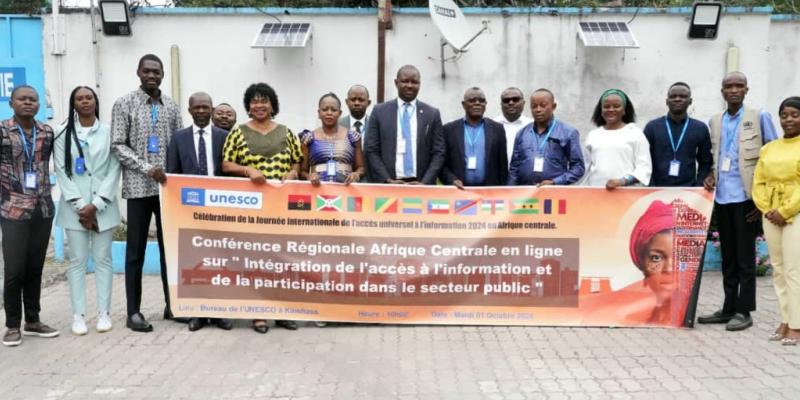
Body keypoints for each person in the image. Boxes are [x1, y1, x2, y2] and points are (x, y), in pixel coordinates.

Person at [698, 72, 778, 331]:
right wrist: (710, 174)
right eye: (728, 87)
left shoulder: (759, 117)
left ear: (746, 90)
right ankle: (729, 307)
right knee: (728, 258)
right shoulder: (715, 121)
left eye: (738, 86)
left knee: (745, 257)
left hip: (747, 199)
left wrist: (761, 201)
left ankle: (745, 311)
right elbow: (716, 156)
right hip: (722, 197)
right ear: (722, 92)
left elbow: (772, 158)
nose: (733, 90)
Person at [222, 82, 301, 334]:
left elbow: (298, 163)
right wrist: (246, 170)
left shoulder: (287, 132)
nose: (259, 105)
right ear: (248, 105)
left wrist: (293, 172)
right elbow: (225, 164)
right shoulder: (238, 131)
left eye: (264, 101)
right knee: (256, 258)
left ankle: (282, 311)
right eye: (254, 101)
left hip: (281, 208)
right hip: (252, 209)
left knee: (282, 259)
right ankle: (258, 312)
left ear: (272, 104)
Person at [111, 54, 183, 333]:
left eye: (156, 71)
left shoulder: (172, 107)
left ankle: (172, 305)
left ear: (162, 74)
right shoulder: (124, 104)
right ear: (138, 72)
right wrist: (145, 167)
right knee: (135, 253)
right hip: (139, 188)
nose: (152, 76)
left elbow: (178, 145)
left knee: (171, 251)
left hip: (167, 191)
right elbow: (117, 144)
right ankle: (133, 312)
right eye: (147, 71)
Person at [54, 86, 120, 336]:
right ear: (73, 103)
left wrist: (98, 204)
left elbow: (115, 169)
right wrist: (82, 206)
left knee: (103, 260)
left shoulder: (109, 132)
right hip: (75, 210)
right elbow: (61, 170)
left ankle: (104, 313)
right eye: (79, 98)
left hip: (103, 207)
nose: (85, 101)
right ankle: (78, 315)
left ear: (95, 101)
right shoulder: (62, 133)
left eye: (89, 97)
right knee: (77, 261)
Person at [166, 92, 234, 332]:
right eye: (198, 107)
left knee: (219, 261)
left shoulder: (225, 137)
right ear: (190, 110)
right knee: (194, 262)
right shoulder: (178, 138)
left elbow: (231, 173)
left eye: (206, 107)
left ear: (213, 110)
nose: (202, 111)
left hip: (220, 209)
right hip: (190, 210)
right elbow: (172, 173)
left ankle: (219, 312)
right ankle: (196, 312)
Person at [1, 85, 59, 346]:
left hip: (42, 207)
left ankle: (33, 320)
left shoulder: (46, 132)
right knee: (14, 270)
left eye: (33, 100)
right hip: (12, 208)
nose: (28, 103)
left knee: (35, 268)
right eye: (22, 99)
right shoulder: (3, 130)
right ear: (12, 103)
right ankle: (12, 325)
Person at [752, 96, 800, 344]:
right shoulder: (769, 148)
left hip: (795, 213)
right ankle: (785, 319)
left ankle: (797, 325)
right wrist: (768, 208)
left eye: (795, 114)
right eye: (784, 115)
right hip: (771, 214)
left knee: (794, 269)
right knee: (779, 269)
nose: (789, 119)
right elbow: (758, 182)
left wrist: (786, 211)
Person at [364, 65, 445, 184]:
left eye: (414, 82)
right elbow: (371, 150)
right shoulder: (379, 111)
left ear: (420, 84)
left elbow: (439, 152)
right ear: (396, 83)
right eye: (405, 81)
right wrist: (387, 179)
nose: (410, 85)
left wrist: (425, 182)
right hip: (389, 184)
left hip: (421, 185)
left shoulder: (432, 114)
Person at [508, 88, 584, 186]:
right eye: (534, 106)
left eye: (543, 105)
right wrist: (509, 192)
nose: (538, 110)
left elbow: (578, 168)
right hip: (526, 195)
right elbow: (514, 169)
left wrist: (555, 182)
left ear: (553, 106)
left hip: (554, 195)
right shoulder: (522, 133)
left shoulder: (568, 132)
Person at [643, 82, 713, 187]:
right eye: (673, 96)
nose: (677, 99)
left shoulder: (700, 128)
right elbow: (645, 160)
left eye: (683, 96)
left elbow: (705, 162)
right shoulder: (652, 127)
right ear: (667, 101)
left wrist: (698, 187)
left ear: (690, 101)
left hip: (689, 190)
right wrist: (651, 187)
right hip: (657, 189)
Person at [582, 89, 651, 189]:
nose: (611, 109)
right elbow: (586, 170)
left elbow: (644, 168)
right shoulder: (593, 135)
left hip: (626, 196)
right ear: (601, 111)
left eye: (616, 106)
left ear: (624, 110)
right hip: (597, 195)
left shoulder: (635, 133)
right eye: (606, 106)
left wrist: (622, 181)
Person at [440, 87, 507, 188]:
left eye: (481, 100)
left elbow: (503, 165)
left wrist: (502, 189)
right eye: (472, 100)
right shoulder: (449, 129)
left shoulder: (497, 129)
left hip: (489, 192)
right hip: (459, 191)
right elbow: (441, 163)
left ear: (485, 104)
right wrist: (451, 180)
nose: (477, 103)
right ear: (463, 105)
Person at [300, 92, 365, 186]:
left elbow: (361, 168)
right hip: (317, 190)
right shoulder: (308, 138)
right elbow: (302, 172)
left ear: (340, 113)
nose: (329, 113)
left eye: (333, 110)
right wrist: (309, 177)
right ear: (319, 113)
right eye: (325, 110)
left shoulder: (353, 137)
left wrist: (356, 174)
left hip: (346, 190)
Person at [339, 85, 371, 181]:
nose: (357, 103)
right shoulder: (338, 125)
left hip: (370, 180)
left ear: (368, 102)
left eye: (361, 100)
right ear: (347, 102)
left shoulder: (376, 125)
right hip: (343, 180)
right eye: (353, 100)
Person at [494, 87, 532, 166]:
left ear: (523, 102)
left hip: (524, 176)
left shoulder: (532, 125)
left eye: (515, 99)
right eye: (506, 100)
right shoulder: (492, 125)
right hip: (498, 176)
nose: (511, 103)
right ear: (501, 104)